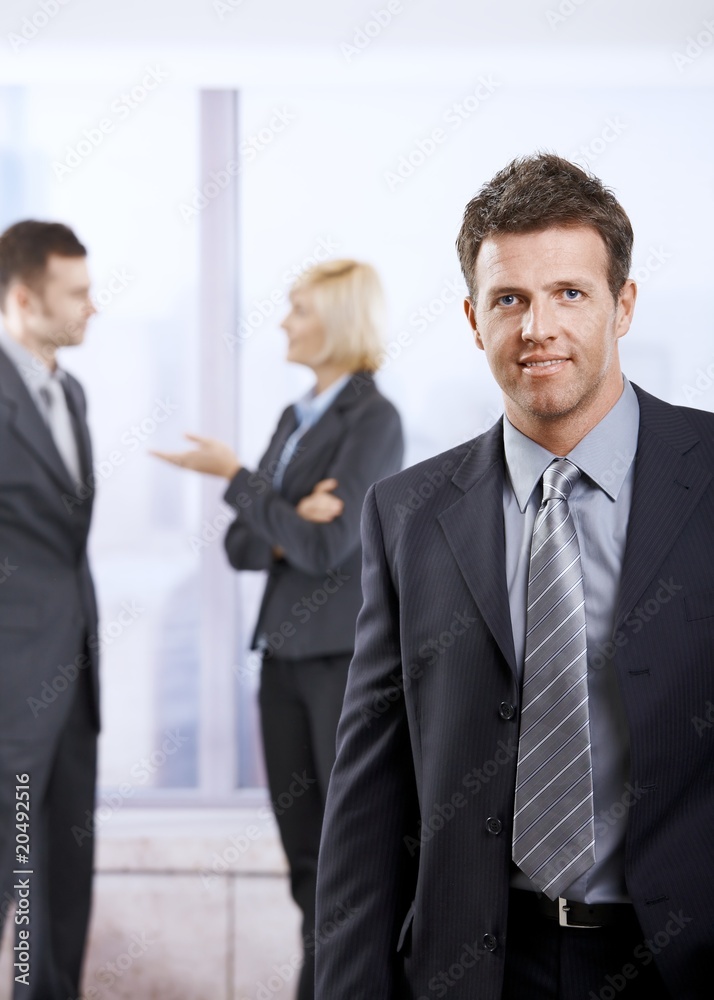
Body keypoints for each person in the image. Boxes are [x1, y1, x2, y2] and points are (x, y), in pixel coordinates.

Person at [314, 154, 714, 999]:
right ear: (472, 317)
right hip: (481, 968)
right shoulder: (407, 514)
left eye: (570, 293)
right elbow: (368, 808)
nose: (539, 328)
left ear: (623, 306)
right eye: (510, 300)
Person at [153, 258, 403, 999]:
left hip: (338, 663)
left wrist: (240, 480)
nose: (284, 321)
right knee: (304, 863)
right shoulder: (294, 421)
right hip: (282, 660)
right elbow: (238, 547)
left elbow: (330, 548)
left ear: (339, 321)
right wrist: (288, 515)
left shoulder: (376, 420)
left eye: (298, 309)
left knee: (344, 861)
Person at [0, 221, 99, 999]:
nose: (91, 308)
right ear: (24, 297)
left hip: (73, 681)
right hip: (8, 685)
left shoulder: (69, 390)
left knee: (59, 889)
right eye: (76, 293)